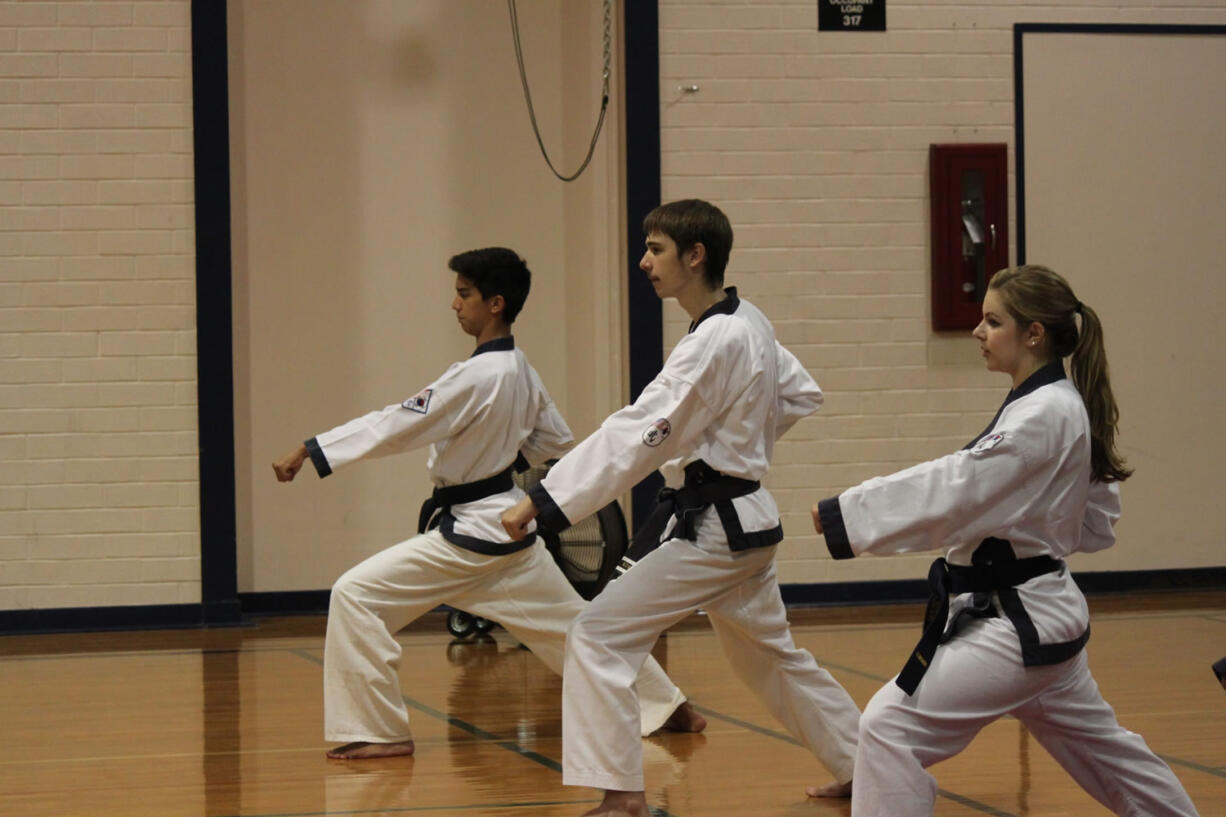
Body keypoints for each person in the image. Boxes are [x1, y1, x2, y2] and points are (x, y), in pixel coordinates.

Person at [272, 247, 705, 760]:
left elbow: (395, 424)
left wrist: (314, 449)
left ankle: (379, 730)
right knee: (576, 626)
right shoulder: (520, 368)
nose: (455, 305)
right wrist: (499, 452)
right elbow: (554, 438)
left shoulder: (475, 376)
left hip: (473, 537)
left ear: (495, 303)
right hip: (509, 532)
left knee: (354, 596)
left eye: (464, 294)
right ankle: (669, 706)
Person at [501, 200, 861, 817]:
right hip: (745, 520)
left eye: (656, 248)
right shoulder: (748, 320)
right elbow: (800, 392)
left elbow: (640, 429)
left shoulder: (715, 339)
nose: (644, 261)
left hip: (718, 529)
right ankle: (864, 765)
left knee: (597, 637)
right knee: (773, 658)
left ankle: (622, 798)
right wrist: (737, 442)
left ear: (695, 256)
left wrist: (545, 499)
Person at [811, 264, 1200, 816]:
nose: (978, 332)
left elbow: (959, 486)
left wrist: (849, 513)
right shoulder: (1054, 403)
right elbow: (1094, 521)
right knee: (1112, 757)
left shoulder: (1042, 413)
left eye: (993, 321)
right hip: (1041, 615)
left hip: (1018, 626)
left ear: (1033, 333)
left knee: (888, 727)